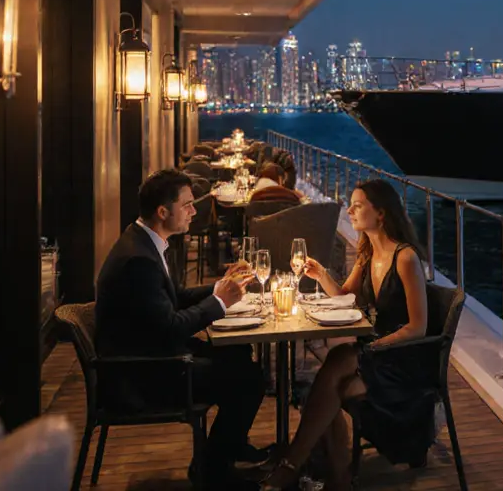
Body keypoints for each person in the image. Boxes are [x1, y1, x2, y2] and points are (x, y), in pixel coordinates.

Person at [95, 169, 270, 489]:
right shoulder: (138, 260)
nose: (193, 211)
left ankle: (229, 448)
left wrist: (219, 287)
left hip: (149, 352)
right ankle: (213, 472)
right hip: (143, 374)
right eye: (187, 205)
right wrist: (219, 302)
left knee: (238, 352)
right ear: (163, 212)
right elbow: (171, 328)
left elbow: (173, 299)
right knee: (249, 379)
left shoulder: (143, 242)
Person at [261, 179, 435, 491]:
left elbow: (417, 327)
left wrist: (374, 346)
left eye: (357, 205)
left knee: (334, 371)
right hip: (375, 354)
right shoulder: (368, 254)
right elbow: (345, 297)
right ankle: (328, 474)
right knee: (334, 376)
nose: (350, 210)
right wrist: (320, 274)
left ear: (381, 213)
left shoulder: (405, 257)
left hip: (402, 361)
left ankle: (301, 467)